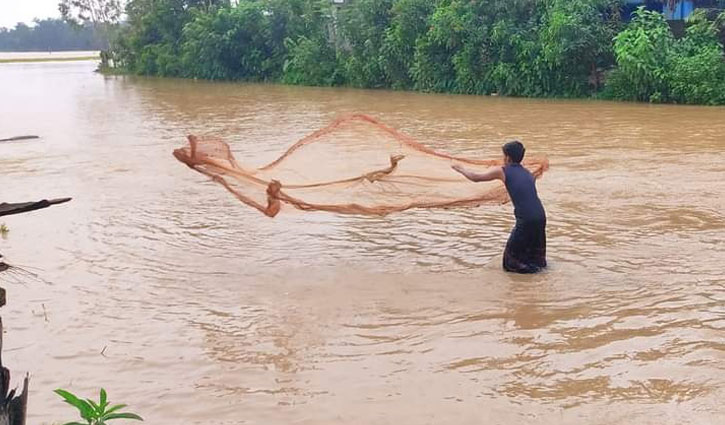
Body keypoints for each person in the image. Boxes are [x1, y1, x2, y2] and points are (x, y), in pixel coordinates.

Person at [452, 141, 547, 273]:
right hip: (540, 216)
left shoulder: (503, 171)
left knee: (510, 262)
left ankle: (525, 288)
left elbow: (476, 177)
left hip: (526, 219)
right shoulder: (527, 173)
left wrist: (459, 168)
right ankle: (539, 284)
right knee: (535, 259)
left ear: (507, 157)